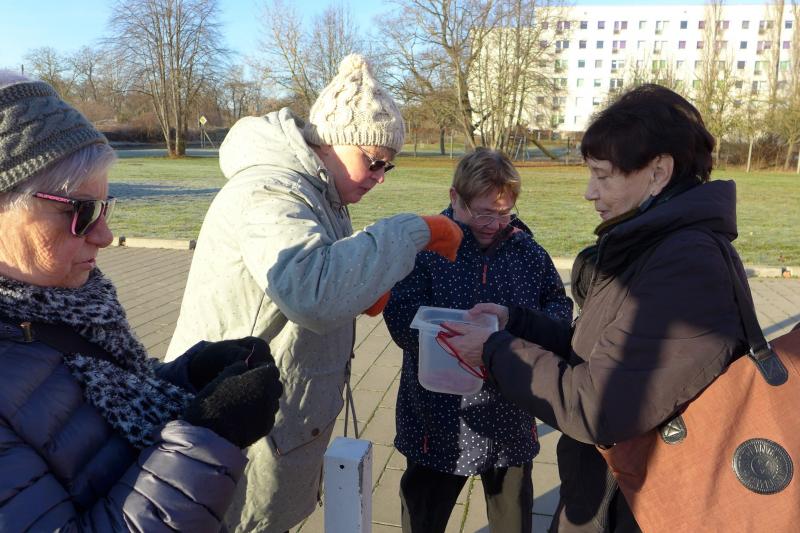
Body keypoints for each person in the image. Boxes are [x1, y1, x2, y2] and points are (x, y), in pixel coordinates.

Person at [163, 54, 463, 533]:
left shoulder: (322, 193)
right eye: (374, 162)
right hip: (237, 425)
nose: (380, 177)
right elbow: (312, 292)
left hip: (271, 418)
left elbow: (319, 271)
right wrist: (414, 231)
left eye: (388, 166)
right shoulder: (271, 191)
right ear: (331, 142)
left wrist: (364, 283)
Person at [442, 84, 751, 532]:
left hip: (635, 507)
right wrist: (516, 322)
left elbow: (596, 405)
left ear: (658, 172)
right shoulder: (650, 246)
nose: (590, 192)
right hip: (604, 493)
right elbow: (599, 349)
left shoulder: (687, 265)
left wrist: (493, 350)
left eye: (603, 176)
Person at [0, 72, 283, 530]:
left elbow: (83, 410)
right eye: (79, 211)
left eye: (105, 207)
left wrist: (187, 377)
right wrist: (210, 438)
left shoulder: (58, 304)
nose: (105, 235)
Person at [383, 148, 573, 533]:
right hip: (438, 418)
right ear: (455, 198)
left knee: (512, 519)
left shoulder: (527, 252)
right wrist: (445, 341)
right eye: (483, 212)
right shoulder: (426, 250)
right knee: (423, 516)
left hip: (510, 416)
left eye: (504, 213)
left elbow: (557, 304)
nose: (493, 224)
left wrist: (524, 336)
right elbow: (400, 312)